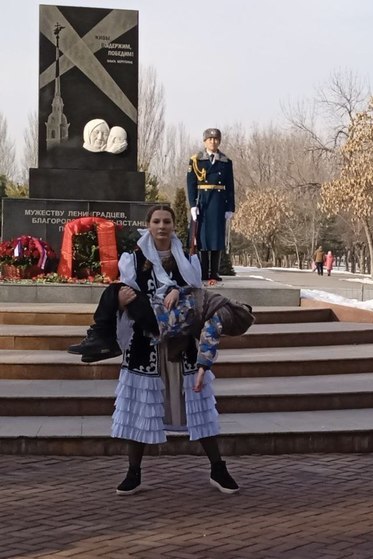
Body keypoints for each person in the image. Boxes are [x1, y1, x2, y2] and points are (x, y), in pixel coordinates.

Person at [77, 205, 239, 495]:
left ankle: (218, 468)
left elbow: (200, 295)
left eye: (166, 221)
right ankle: (133, 472)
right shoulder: (134, 259)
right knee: (140, 406)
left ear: (174, 226)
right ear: (148, 225)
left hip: (181, 341)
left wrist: (181, 290)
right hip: (146, 342)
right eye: (156, 221)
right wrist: (125, 299)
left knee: (199, 407)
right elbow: (129, 293)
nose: (161, 226)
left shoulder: (187, 260)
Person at [187, 128, 235, 282]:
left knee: (217, 238)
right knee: (203, 240)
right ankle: (203, 272)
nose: (213, 142)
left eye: (215, 139)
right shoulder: (196, 160)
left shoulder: (225, 161)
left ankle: (214, 272)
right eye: (210, 139)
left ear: (219, 141)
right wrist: (193, 204)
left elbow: (230, 186)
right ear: (204, 141)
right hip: (203, 202)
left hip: (219, 203)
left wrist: (230, 208)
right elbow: (191, 184)